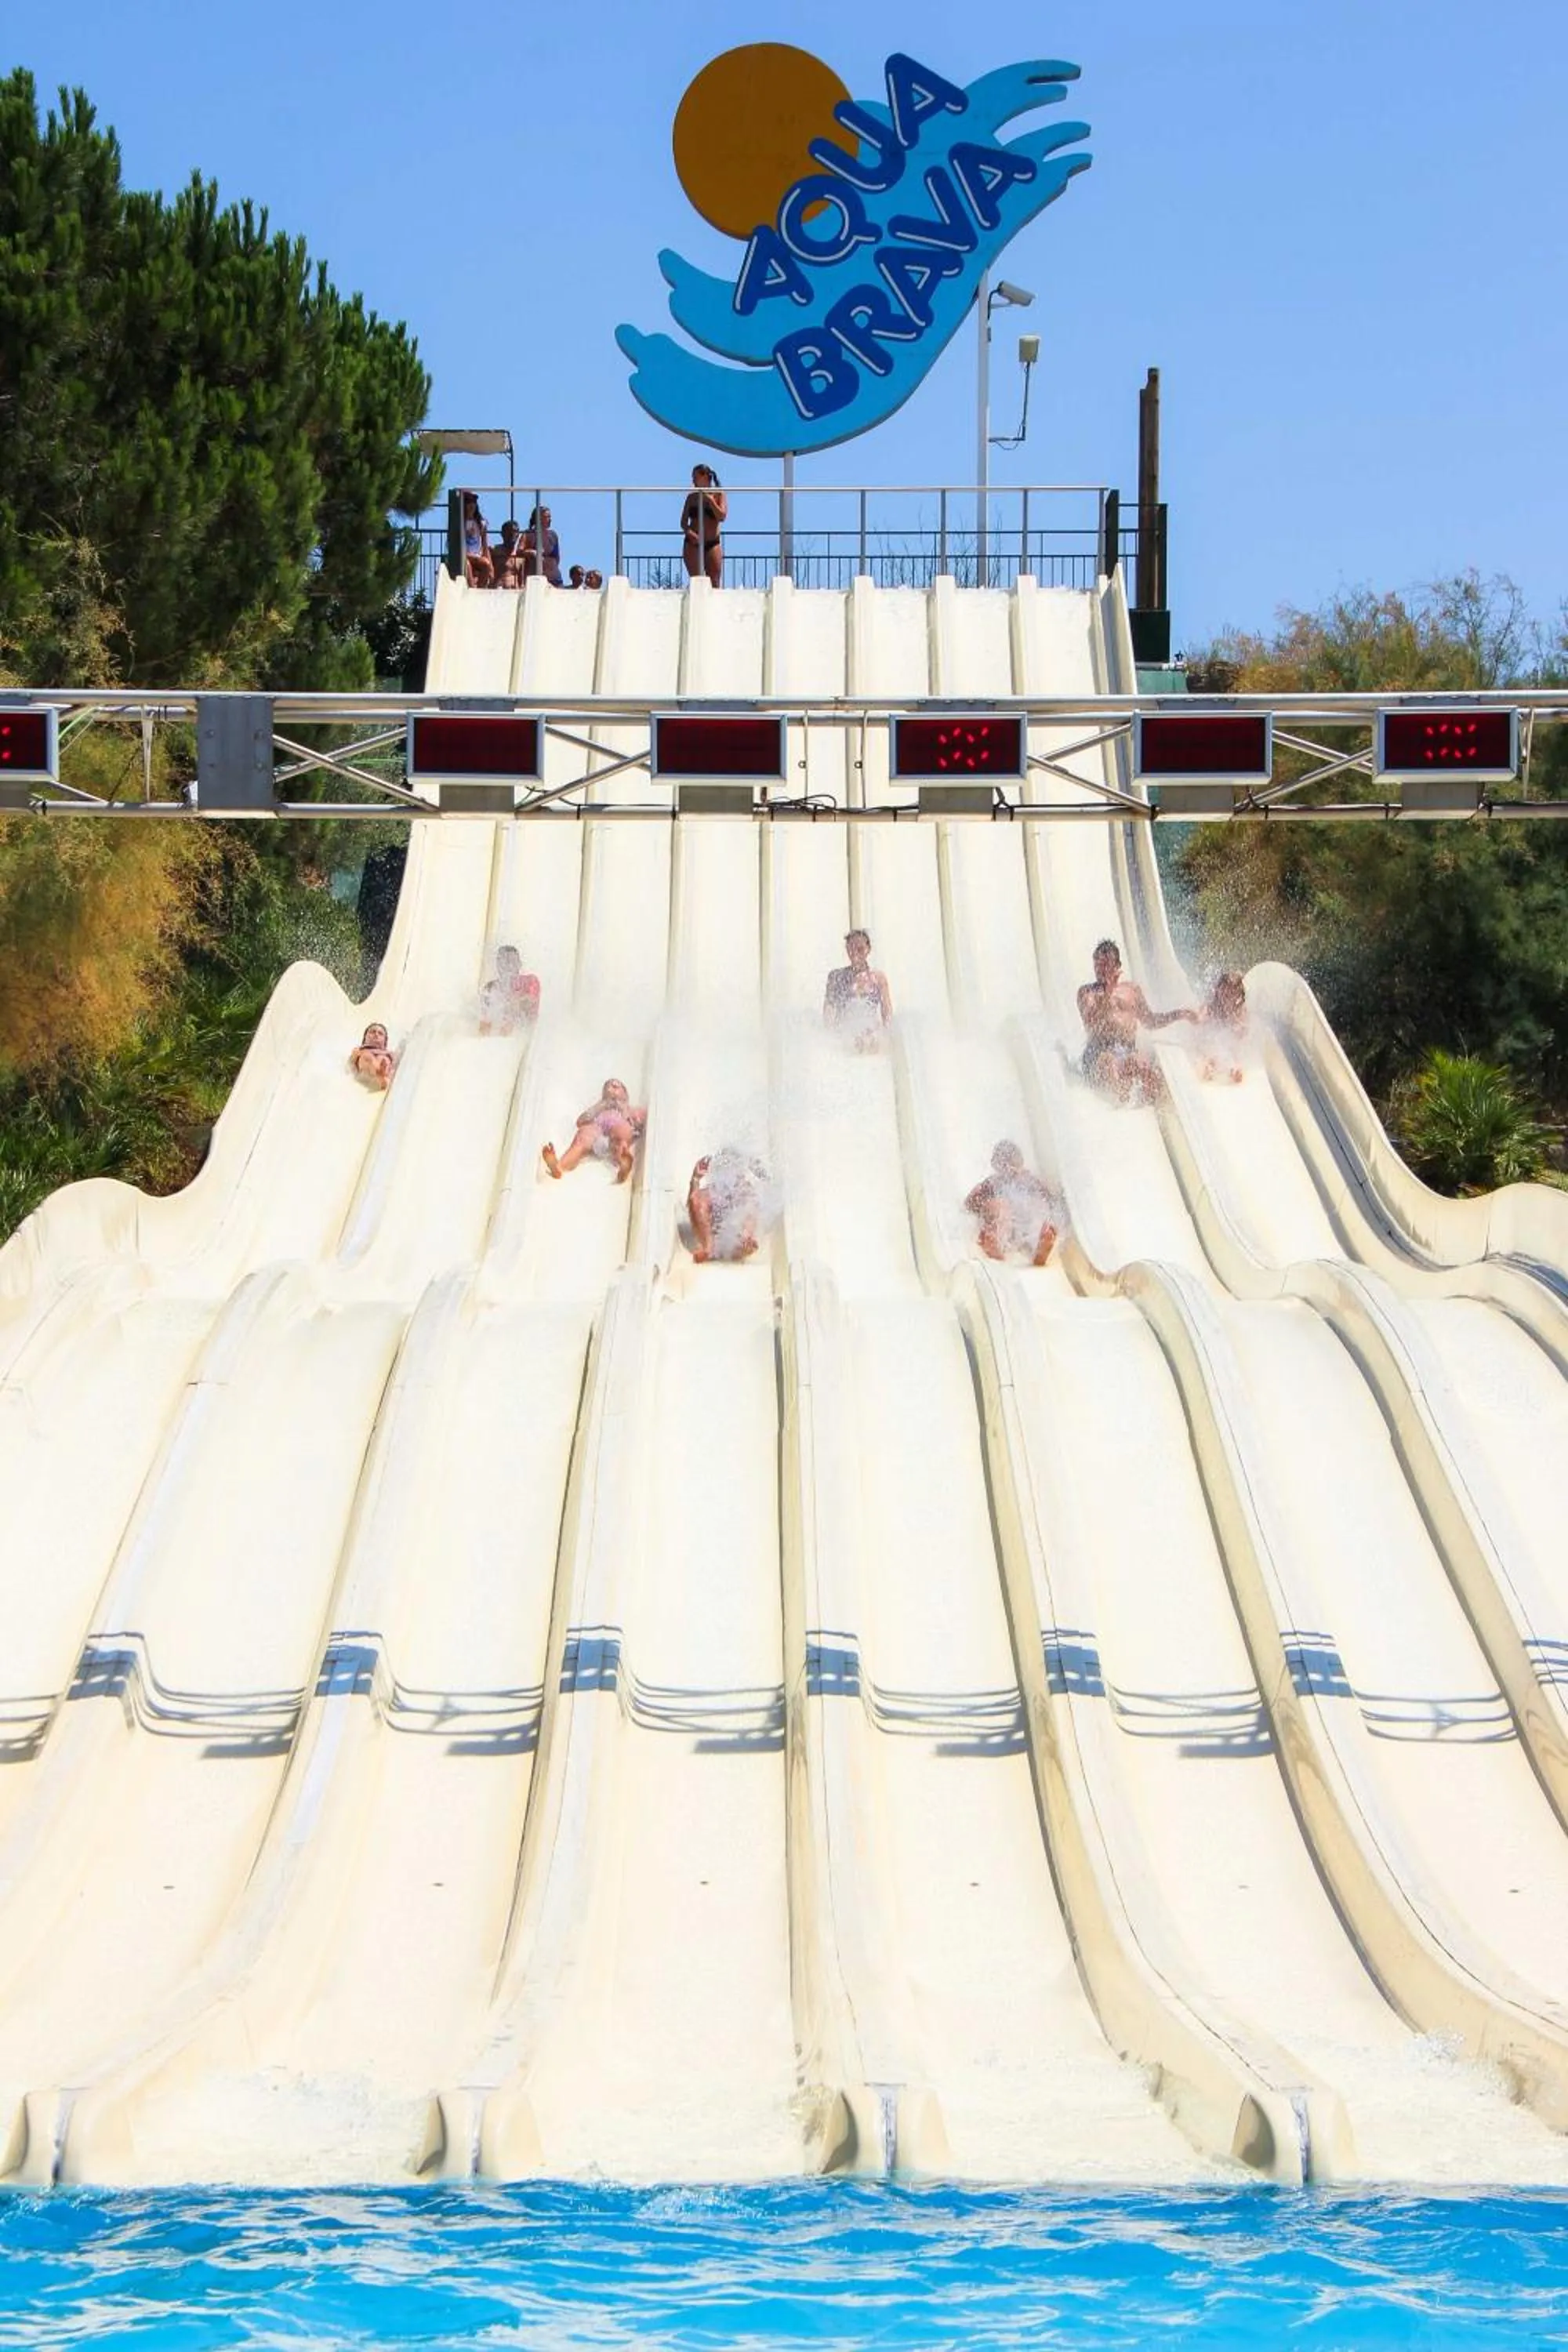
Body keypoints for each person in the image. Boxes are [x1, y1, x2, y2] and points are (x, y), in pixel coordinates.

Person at [1076, 938, 1196, 1106]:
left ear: (1117, 966)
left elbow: (1150, 1021)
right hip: (1099, 1054)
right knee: (1111, 1064)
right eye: (1098, 965)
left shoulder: (1132, 991)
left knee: (1143, 1066)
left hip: (1127, 1050)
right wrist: (1107, 994)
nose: (1101, 970)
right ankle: (1121, 1105)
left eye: (1106, 965)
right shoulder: (1087, 993)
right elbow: (1092, 1023)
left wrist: (1179, 1014)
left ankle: (1157, 1105)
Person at [965, 1142, 1061, 1266]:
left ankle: (1040, 1249)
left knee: (1035, 1213)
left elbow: (1048, 1198)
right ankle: (995, 1245)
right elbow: (970, 1201)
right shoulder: (993, 1183)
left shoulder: (1029, 1180)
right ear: (996, 1166)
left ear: (1021, 1164)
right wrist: (985, 1206)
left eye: (1013, 1165)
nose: (1010, 1170)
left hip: (1024, 1224)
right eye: (1005, 1165)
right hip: (1007, 1225)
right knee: (1000, 1210)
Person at [542, 1078, 646, 1185]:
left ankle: (623, 1163)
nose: (612, 1089)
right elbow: (580, 1122)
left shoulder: (630, 1111)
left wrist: (630, 1116)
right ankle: (559, 1167)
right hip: (598, 1136)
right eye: (608, 1088)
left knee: (622, 1131)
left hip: (616, 1138)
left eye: (616, 1086)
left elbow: (643, 1120)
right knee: (583, 1135)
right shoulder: (600, 1109)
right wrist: (600, 1106)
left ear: (626, 1095)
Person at [688, 1146, 771, 1263]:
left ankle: (744, 1242)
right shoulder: (712, 1192)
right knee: (697, 1199)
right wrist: (695, 1179)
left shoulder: (745, 1192)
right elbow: (693, 1203)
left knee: (750, 1200)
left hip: (737, 1232)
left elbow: (765, 1192)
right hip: (710, 1230)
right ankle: (708, 1247)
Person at [823, 929, 893, 1051]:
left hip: (869, 1032)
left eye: (860, 949)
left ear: (868, 949)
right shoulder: (836, 977)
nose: (855, 953)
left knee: (870, 1039)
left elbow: (886, 1012)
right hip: (846, 1032)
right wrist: (830, 1037)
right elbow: (828, 1011)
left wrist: (887, 1035)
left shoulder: (878, 978)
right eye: (851, 948)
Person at [1194, 971, 1249, 1084]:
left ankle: (1233, 1069)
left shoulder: (1239, 1011)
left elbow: (1243, 1033)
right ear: (1218, 991)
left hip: (1228, 1047)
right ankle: (1210, 1064)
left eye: (1232, 995)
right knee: (1211, 1043)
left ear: (1238, 996)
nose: (1228, 999)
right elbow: (1198, 1026)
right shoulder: (1210, 1008)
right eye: (1225, 994)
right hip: (1207, 1042)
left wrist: (1238, 1025)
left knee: (1232, 1041)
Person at [681, 463, 728, 587]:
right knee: (697, 581)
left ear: (705, 477)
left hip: (712, 543)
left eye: (695, 477)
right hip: (693, 543)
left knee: (715, 582)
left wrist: (710, 501)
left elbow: (722, 516)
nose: (693, 481)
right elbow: (683, 522)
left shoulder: (719, 494)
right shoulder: (691, 498)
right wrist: (690, 533)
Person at [479, 944, 540, 1035]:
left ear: (519, 964)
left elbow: (530, 1001)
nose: (508, 966)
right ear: (498, 966)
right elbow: (483, 1012)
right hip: (498, 1032)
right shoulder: (491, 987)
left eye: (512, 961)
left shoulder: (530, 981)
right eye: (503, 962)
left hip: (523, 1030)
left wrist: (510, 1003)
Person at [521, 505, 563, 587]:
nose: (550, 519)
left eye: (550, 517)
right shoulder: (528, 534)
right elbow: (519, 552)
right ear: (539, 518)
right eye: (547, 517)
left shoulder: (553, 535)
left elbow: (557, 558)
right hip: (537, 579)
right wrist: (531, 552)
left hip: (555, 578)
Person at [349, 1022, 397, 1091]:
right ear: (365, 1037)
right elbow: (351, 1064)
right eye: (372, 1032)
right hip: (366, 1070)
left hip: (383, 1066)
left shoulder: (388, 1053)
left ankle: (383, 1077)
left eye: (380, 1033)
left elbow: (394, 1064)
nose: (376, 1034)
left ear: (385, 1040)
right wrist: (355, 1057)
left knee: (383, 1059)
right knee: (368, 1057)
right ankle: (379, 1074)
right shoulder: (360, 1050)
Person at [462, 492, 493, 589]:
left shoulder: (481, 523)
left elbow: (485, 545)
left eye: (474, 502)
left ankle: (480, 590)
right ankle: (472, 589)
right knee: (466, 564)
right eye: (468, 502)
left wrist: (491, 566)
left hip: (477, 556)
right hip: (464, 555)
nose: (471, 505)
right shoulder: (460, 522)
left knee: (486, 564)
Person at [492, 520, 525, 591]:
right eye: (508, 531)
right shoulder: (495, 551)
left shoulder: (520, 556)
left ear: (518, 534)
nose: (512, 534)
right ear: (502, 534)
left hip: (515, 591)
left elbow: (521, 581)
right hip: (498, 591)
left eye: (515, 531)